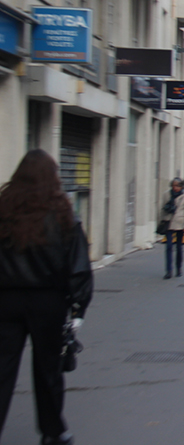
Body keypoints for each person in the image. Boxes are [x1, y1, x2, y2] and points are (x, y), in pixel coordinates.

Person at [0, 149, 93, 445]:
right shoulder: (63, 214)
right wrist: (78, 308)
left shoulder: (4, 210)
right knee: (48, 369)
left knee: (2, 368)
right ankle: (53, 431)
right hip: (48, 301)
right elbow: (78, 265)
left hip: (6, 300)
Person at [161, 177, 184, 279]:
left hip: (180, 225)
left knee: (179, 248)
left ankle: (179, 268)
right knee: (169, 247)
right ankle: (169, 270)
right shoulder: (166, 194)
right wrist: (161, 222)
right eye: (174, 185)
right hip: (168, 223)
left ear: (182, 187)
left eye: (178, 186)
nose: (175, 188)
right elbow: (162, 209)